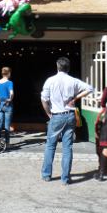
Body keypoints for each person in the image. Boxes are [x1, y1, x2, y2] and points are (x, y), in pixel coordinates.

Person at [40, 57, 92, 185]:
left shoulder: (50, 80)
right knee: (67, 147)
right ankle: (65, 178)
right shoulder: (73, 81)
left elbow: (44, 99)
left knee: (50, 145)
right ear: (68, 67)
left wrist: (48, 113)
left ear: (57, 66)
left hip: (56, 115)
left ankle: (46, 175)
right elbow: (90, 88)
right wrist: (76, 98)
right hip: (70, 115)